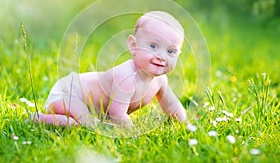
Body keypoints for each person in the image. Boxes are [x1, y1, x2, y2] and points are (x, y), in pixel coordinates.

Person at [31, 11, 187, 128]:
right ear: (133, 46)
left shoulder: (160, 81)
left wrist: (185, 124)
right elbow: (116, 116)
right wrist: (133, 133)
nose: (162, 56)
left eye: (171, 51)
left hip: (85, 103)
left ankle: (51, 118)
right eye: (153, 46)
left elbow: (172, 107)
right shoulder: (126, 78)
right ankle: (40, 118)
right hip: (69, 92)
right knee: (88, 124)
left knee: (78, 123)